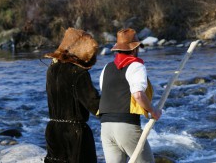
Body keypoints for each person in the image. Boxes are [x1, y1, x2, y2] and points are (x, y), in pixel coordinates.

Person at [99, 28, 162, 163]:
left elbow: (104, 91)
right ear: (135, 49)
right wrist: (153, 110)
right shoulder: (136, 66)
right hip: (126, 126)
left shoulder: (106, 68)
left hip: (106, 127)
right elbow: (138, 94)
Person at [44, 28, 100, 163]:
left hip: (53, 130)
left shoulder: (52, 68)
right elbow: (94, 104)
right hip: (74, 134)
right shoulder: (79, 72)